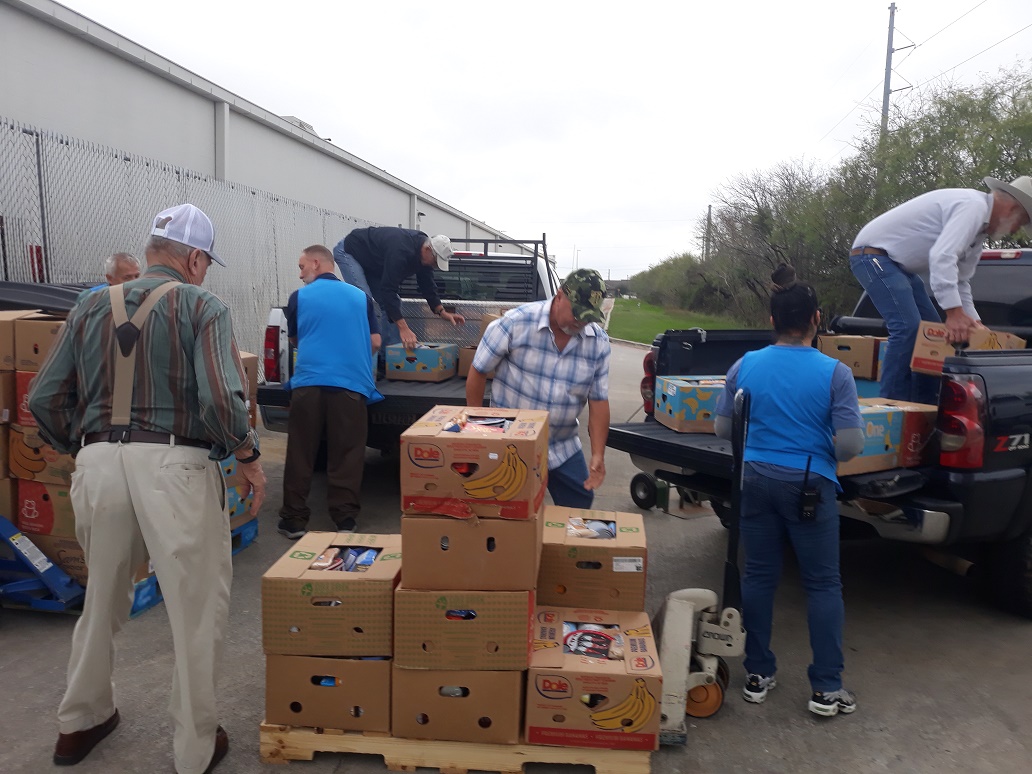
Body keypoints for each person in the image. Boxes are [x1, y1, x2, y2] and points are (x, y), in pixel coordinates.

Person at [28, 203, 266, 774]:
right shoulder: (202, 305)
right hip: (174, 465)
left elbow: (43, 397)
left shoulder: (88, 305)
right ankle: (193, 747)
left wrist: (82, 448)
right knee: (195, 607)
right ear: (195, 257)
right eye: (206, 262)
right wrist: (249, 456)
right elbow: (220, 398)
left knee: (103, 596)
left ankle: (79, 723)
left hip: (98, 461)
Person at [714, 264, 864, 718]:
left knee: (759, 575)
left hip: (754, 481)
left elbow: (724, 428)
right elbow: (851, 446)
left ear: (773, 320)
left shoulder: (745, 365)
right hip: (808, 486)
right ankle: (826, 688)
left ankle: (757, 675)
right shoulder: (836, 373)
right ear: (817, 319)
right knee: (822, 584)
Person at [850, 175, 1032, 404]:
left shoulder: (978, 233)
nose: (1015, 229)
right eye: (1021, 221)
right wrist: (954, 313)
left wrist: (973, 321)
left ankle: (924, 406)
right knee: (907, 327)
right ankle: (891, 406)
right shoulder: (972, 206)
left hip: (898, 267)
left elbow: (960, 280)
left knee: (933, 334)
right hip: (872, 255)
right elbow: (942, 257)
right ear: (1012, 209)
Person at [466, 268, 610, 508]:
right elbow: (479, 370)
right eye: (577, 312)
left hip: (561, 443)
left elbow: (598, 401)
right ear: (560, 295)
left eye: (588, 316)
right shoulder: (515, 323)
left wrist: (598, 454)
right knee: (510, 511)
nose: (581, 321)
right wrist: (476, 425)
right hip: (511, 442)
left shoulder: (598, 343)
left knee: (580, 502)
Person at [277, 244, 383, 539]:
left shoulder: (299, 297)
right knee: (347, 453)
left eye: (301, 267)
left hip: (309, 385)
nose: (299, 275)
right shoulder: (361, 298)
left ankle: (294, 519)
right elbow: (376, 342)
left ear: (316, 263)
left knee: (301, 451)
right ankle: (345, 519)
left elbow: (297, 338)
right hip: (351, 386)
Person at [332, 226, 465, 351]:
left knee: (394, 303)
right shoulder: (401, 251)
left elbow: (427, 284)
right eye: (435, 261)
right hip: (350, 251)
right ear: (428, 250)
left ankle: (387, 358)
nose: (435, 266)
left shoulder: (424, 256)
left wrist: (441, 311)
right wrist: (404, 328)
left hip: (372, 263)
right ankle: (359, 355)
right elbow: (388, 289)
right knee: (363, 302)